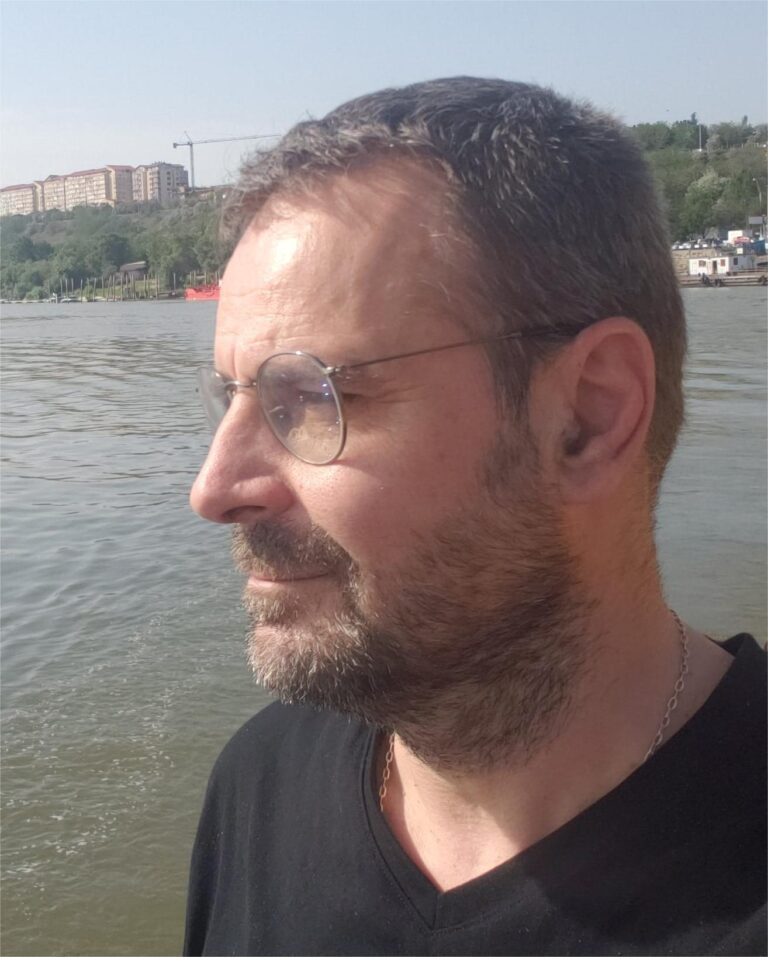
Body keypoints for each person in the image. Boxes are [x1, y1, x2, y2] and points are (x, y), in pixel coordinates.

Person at [183, 77, 766, 956]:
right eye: (229, 395)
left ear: (589, 417)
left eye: (310, 396)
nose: (214, 488)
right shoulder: (258, 785)